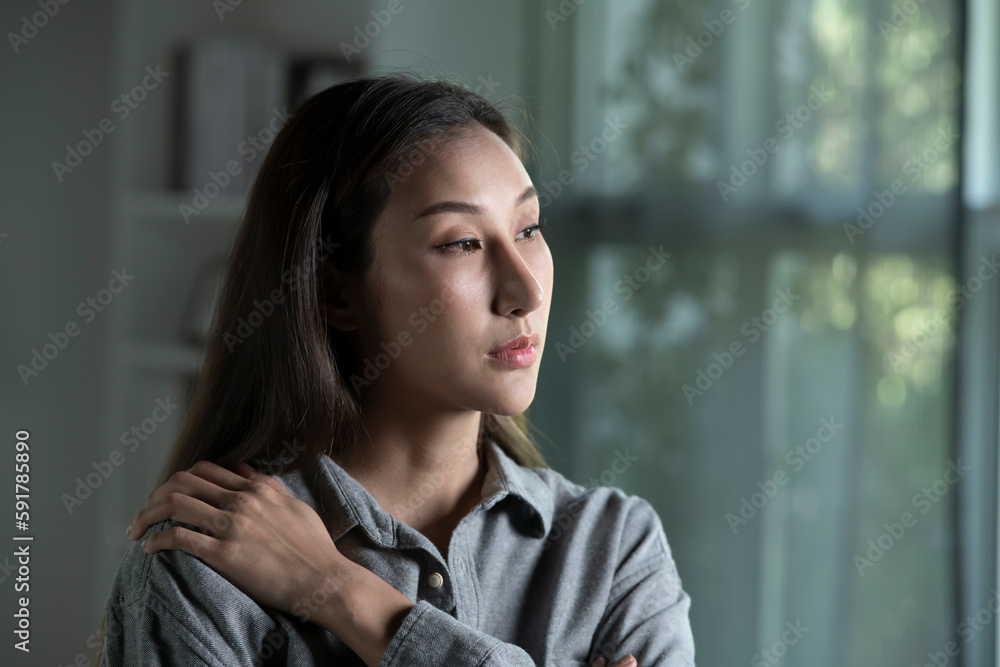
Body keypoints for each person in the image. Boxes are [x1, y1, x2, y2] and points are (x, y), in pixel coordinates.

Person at [96, 73, 695, 666]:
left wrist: (336, 590)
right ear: (336, 293)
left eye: (529, 228)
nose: (527, 289)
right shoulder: (202, 559)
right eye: (461, 242)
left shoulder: (614, 548)